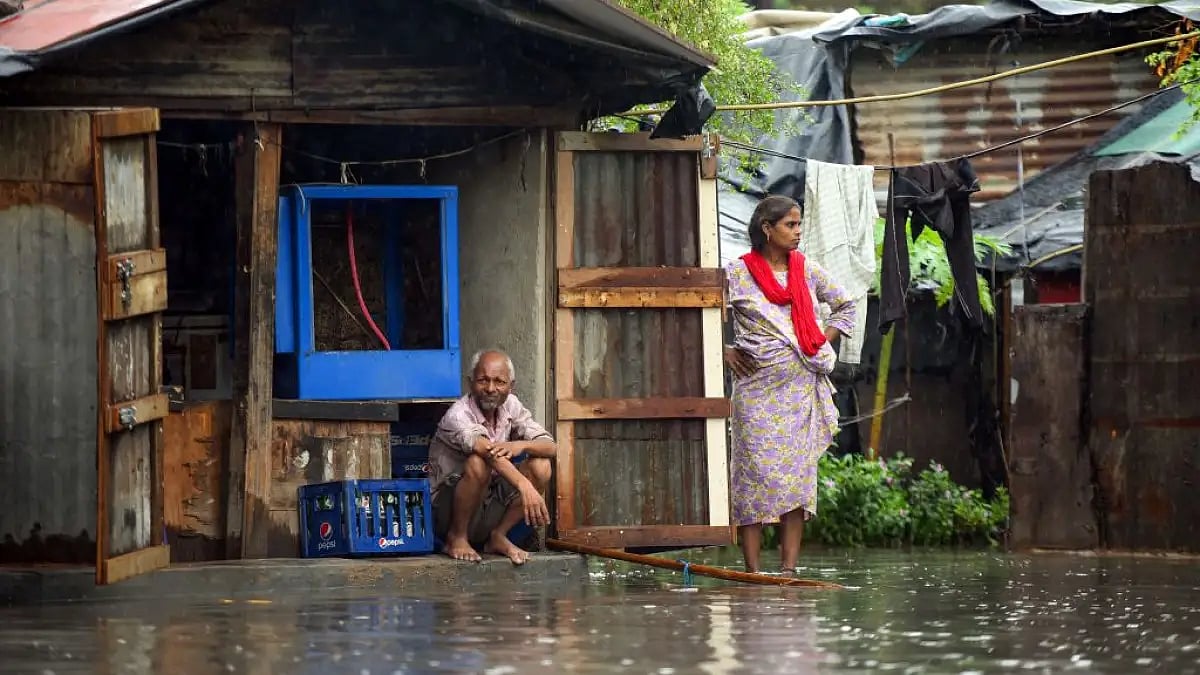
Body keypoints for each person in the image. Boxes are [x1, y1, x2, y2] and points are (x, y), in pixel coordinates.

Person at [724, 194, 856, 574]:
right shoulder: (736, 273)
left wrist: (817, 340)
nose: (798, 232)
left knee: (797, 480)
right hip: (755, 392)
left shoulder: (807, 270)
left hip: (799, 392)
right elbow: (702, 313)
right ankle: (752, 571)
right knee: (750, 476)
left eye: (799, 225)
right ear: (767, 229)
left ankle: (788, 570)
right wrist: (725, 350)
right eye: (790, 225)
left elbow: (846, 305)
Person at [428, 349, 556, 565]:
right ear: (470, 383)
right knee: (478, 463)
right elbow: (488, 453)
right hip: (448, 512)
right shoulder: (458, 414)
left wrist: (520, 445)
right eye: (483, 380)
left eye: (499, 382)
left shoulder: (511, 405)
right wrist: (524, 485)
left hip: (487, 507)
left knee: (541, 466)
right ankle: (456, 538)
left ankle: (498, 536)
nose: (490, 388)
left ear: (511, 386)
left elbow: (551, 447)